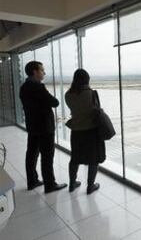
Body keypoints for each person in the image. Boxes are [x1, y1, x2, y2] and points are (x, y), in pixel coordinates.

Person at [19, 61, 67, 193]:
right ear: (35, 72)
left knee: (31, 154)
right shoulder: (38, 87)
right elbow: (55, 102)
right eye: (42, 70)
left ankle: (32, 181)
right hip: (45, 128)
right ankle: (50, 185)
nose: (44, 72)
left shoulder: (23, 87)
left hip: (32, 126)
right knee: (47, 156)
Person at [65, 69, 105, 195]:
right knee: (93, 159)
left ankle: (72, 184)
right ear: (87, 79)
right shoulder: (92, 94)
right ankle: (90, 186)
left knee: (75, 158)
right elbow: (96, 111)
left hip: (76, 131)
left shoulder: (68, 95)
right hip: (91, 132)